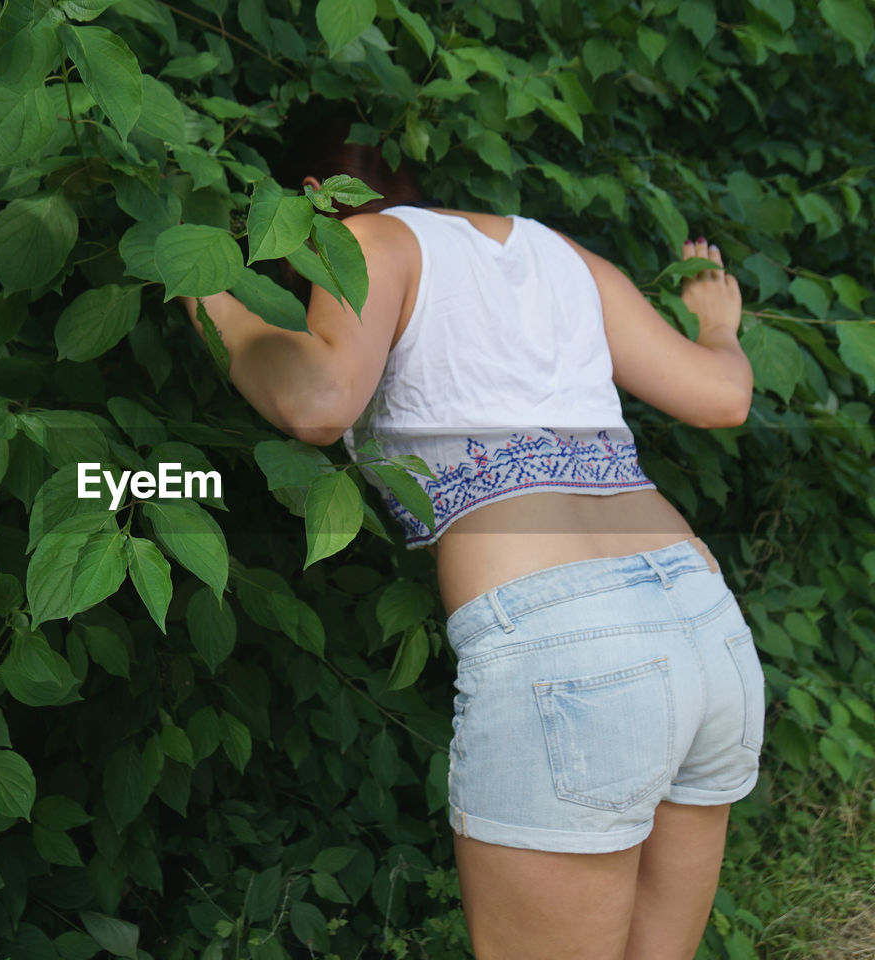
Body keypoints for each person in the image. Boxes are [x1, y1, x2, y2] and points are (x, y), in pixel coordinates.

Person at [178, 117, 765, 960]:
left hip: (571, 650)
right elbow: (721, 397)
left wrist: (208, 296)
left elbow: (318, 402)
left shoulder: (368, 240)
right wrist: (718, 326)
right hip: (706, 623)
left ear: (311, 198)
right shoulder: (560, 256)